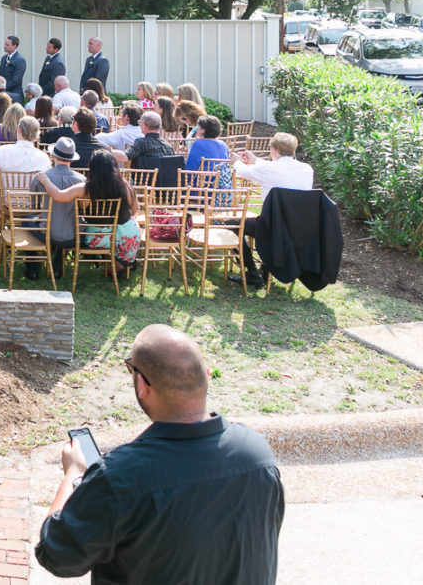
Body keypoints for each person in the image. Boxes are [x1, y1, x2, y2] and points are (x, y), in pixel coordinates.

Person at [36, 325, 284, 583]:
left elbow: (56, 554)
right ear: (207, 375)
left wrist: (74, 474)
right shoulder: (258, 455)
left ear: (142, 385)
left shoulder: (121, 477)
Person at [230, 133, 315, 289]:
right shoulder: (307, 170)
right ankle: (267, 269)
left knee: (231, 225)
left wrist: (236, 161)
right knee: (261, 223)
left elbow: (244, 172)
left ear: (274, 150)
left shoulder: (269, 169)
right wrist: (255, 160)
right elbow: (276, 168)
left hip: (270, 226)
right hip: (297, 228)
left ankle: (252, 272)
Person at [37, 150, 142, 273]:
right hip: (129, 236)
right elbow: (136, 210)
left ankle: (116, 262)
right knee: (125, 227)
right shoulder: (125, 185)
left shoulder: (85, 189)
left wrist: (45, 180)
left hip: (98, 238)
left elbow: (59, 196)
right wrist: (121, 226)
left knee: (75, 229)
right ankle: (120, 261)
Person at [28, 139, 85, 280]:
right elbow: (83, 208)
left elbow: (34, 208)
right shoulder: (82, 180)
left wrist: (41, 213)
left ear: (53, 156)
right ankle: (57, 266)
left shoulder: (40, 178)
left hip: (47, 232)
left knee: (26, 221)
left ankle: (33, 267)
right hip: (74, 235)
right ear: (71, 160)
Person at [0, 35, 27, 104]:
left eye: (7, 45)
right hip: (3, 95)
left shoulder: (20, 60)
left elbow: (16, 80)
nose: (5, 46)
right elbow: (0, 74)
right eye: (5, 44)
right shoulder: (4, 58)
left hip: (14, 95)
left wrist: (2, 89)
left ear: (14, 46)